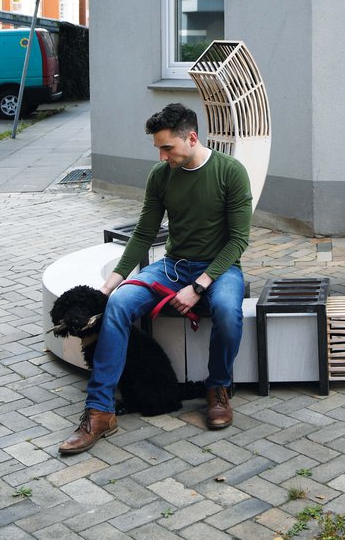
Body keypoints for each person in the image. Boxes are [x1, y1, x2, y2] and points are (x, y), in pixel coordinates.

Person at [59, 103, 252, 456]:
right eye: (159, 149)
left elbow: (239, 239)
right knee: (118, 304)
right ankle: (100, 410)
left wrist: (199, 287)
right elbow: (144, 233)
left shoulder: (231, 172)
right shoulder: (161, 177)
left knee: (227, 310)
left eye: (168, 148)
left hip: (220, 268)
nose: (163, 156)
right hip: (173, 266)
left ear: (191, 138)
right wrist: (110, 284)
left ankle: (218, 389)